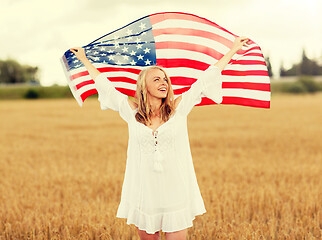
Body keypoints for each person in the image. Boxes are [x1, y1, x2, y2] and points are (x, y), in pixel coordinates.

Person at [70, 36, 249, 240]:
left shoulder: (178, 109)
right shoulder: (131, 112)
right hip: (144, 193)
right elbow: (105, 86)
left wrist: (233, 49)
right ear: (144, 86)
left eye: (165, 80)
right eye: (157, 79)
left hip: (175, 192)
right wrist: (84, 60)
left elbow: (206, 78)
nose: (163, 83)